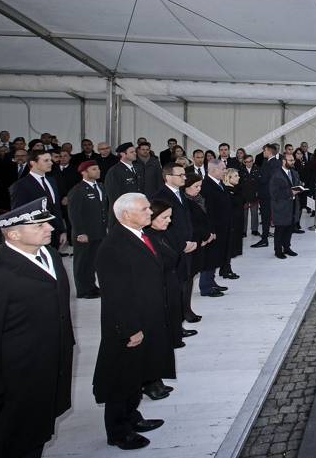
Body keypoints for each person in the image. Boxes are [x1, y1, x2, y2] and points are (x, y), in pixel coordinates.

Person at [0, 199, 75, 458]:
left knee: (37, 434)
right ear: (13, 233)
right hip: (13, 379)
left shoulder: (51, 256)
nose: (50, 228)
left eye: (48, 222)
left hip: (47, 366)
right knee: (7, 442)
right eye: (39, 224)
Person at [92, 193, 171, 450]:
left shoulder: (139, 235)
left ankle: (132, 416)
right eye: (145, 209)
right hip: (129, 325)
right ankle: (118, 431)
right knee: (122, 379)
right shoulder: (113, 246)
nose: (151, 212)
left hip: (146, 318)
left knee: (138, 373)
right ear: (126, 215)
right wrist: (130, 329)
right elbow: (115, 294)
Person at [144, 200, 194, 353]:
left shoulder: (165, 232)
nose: (169, 221)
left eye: (169, 217)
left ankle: (176, 334)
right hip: (161, 282)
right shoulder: (148, 236)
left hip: (172, 278)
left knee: (175, 307)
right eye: (164, 217)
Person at [153, 163, 198, 328]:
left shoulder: (180, 194)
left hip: (187, 243)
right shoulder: (161, 196)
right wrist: (181, 244)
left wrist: (191, 240)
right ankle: (176, 322)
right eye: (180, 175)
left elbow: (186, 220)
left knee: (187, 279)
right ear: (168, 177)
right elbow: (164, 227)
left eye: (184, 175)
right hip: (175, 246)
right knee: (176, 284)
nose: (184, 178)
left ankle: (186, 311)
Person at [9, 149, 66, 253]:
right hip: (35, 236)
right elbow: (18, 214)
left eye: (50, 160)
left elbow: (56, 208)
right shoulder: (20, 185)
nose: (51, 163)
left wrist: (62, 231)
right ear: (33, 163)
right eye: (46, 160)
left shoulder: (52, 181)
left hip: (54, 233)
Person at [66, 160, 108, 298]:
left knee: (92, 261)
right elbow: (74, 214)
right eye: (94, 169)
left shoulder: (100, 187)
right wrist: (80, 232)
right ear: (84, 172)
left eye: (98, 168)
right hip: (84, 233)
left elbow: (103, 209)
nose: (98, 171)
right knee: (82, 262)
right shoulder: (77, 190)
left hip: (99, 231)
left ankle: (91, 287)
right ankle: (83, 290)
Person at [199, 160, 231, 296]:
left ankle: (211, 282)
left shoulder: (219, 183)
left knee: (216, 256)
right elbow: (208, 211)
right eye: (223, 169)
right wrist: (210, 230)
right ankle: (205, 287)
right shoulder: (206, 186)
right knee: (209, 257)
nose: (225, 171)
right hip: (213, 228)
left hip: (222, 226)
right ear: (213, 170)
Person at [183, 174, 215, 306]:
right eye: (195, 186)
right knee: (190, 273)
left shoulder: (199, 198)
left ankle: (210, 283)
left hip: (205, 236)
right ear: (186, 187)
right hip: (195, 240)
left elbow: (206, 217)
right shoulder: (185, 202)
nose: (198, 189)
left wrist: (210, 233)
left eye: (200, 186)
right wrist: (204, 237)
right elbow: (193, 223)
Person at [268, 151, 300, 259]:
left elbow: (296, 185)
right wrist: (290, 192)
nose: (293, 162)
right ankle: (278, 250)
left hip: (293, 206)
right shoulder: (276, 175)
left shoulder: (294, 173)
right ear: (283, 161)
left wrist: (300, 187)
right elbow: (274, 193)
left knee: (289, 228)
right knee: (280, 230)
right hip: (280, 207)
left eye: (293, 160)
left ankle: (287, 247)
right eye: (290, 160)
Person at [104, 143, 141, 227]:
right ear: (123, 154)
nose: (135, 153)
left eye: (134, 151)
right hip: (123, 213)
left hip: (136, 210)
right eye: (132, 152)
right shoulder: (114, 171)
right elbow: (114, 196)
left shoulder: (137, 168)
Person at [256, 144, 281, 246]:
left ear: (269, 151)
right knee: (266, 218)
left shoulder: (273, 163)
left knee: (266, 218)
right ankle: (264, 238)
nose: (263, 152)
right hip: (267, 194)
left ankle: (265, 239)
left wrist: (257, 176)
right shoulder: (268, 162)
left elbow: (266, 179)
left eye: (265, 150)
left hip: (268, 195)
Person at [221, 168, 244, 279]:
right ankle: (226, 269)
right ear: (228, 178)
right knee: (228, 246)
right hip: (231, 223)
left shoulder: (236, 189)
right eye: (235, 176)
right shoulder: (227, 191)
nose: (238, 177)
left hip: (237, 222)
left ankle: (224, 267)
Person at [239, 154, 260, 238]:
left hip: (254, 195)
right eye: (246, 162)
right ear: (244, 162)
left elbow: (259, 183)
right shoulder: (240, 171)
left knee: (255, 213)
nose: (249, 163)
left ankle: (254, 230)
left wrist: (258, 193)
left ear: (253, 161)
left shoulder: (257, 169)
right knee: (244, 214)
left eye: (250, 161)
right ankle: (243, 231)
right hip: (244, 196)